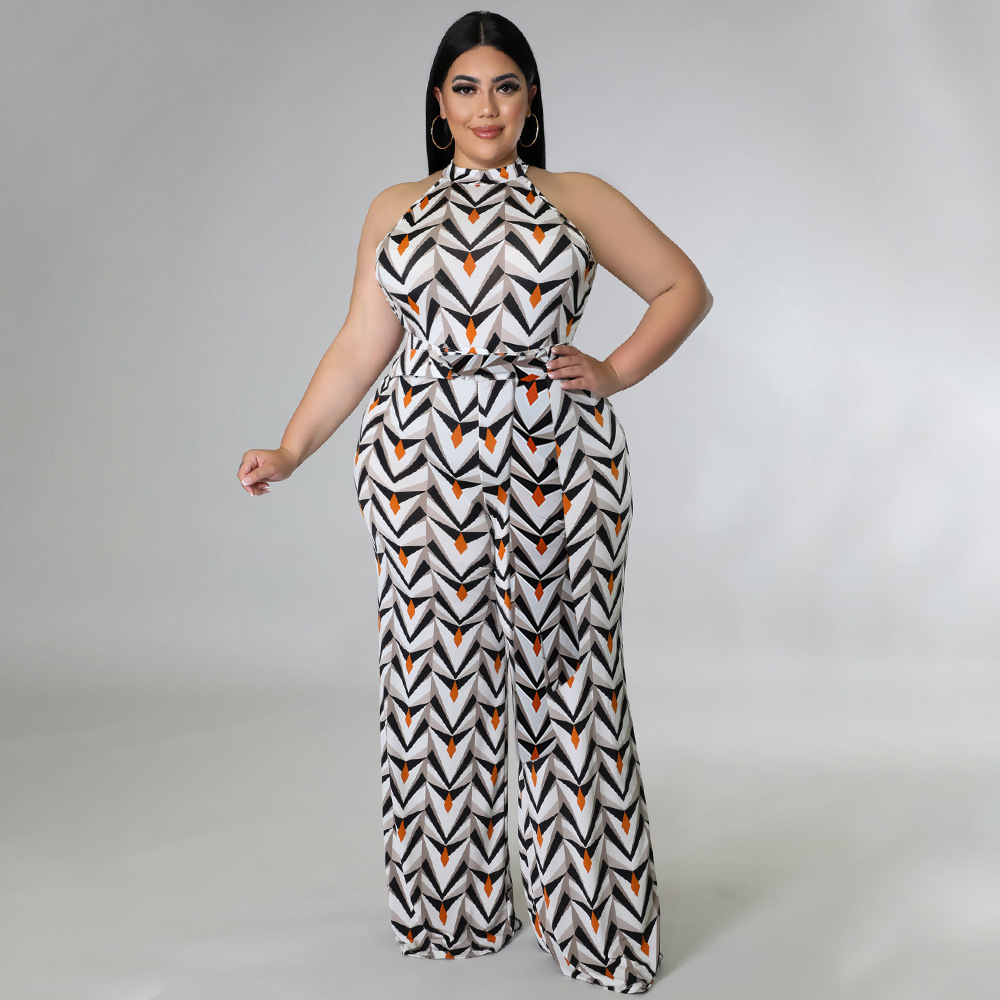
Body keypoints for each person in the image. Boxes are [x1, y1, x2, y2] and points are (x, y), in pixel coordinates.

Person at [238, 10, 712, 994]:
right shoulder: (396, 207)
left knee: (567, 683)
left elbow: (681, 288)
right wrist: (291, 446)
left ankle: (597, 925)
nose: (485, 106)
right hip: (418, 474)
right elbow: (360, 343)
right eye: (465, 87)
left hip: (559, 469)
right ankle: (448, 911)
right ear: (438, 103)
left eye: (505, 85)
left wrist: (614, 370)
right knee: (432, 687)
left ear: (531, 98)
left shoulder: (575, 196)